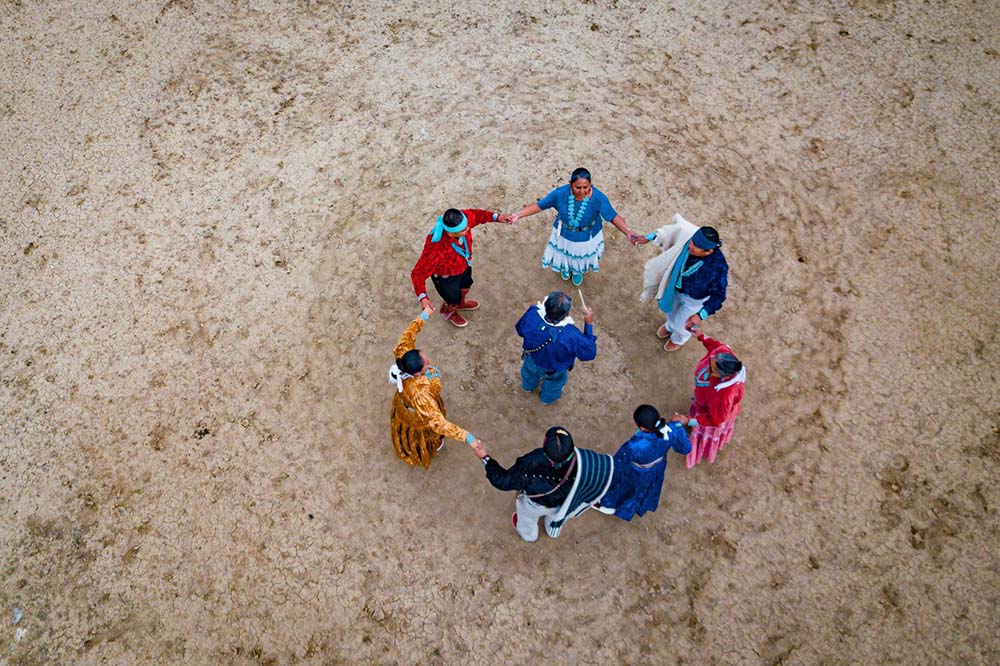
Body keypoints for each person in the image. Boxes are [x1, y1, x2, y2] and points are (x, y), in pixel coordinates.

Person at [471, 427, 614, 542]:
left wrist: (485, 458)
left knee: (527, 519)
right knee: (557, 514)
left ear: (545, 443)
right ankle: (550, 526)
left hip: (535, 504)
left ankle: (529, 536)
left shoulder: (531, 464)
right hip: (566, 502)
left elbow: (502, 481)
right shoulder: (586, 463)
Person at [510, 167, 646, 287]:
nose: (582, 191)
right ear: (570, 184)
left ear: (590, 185)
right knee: (565, 253)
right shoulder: (560, 194)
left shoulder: (598, 198)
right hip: (564, 233)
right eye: (578, 187)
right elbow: (539, 206)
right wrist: (518, 214)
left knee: (580, 257)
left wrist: (628, 231)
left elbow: (613, 217)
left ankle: (577, 270)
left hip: (587, 236)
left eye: (585, 187)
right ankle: (566, 267)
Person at [388, 306, 482, 469]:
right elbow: (438, 423)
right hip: (419, 413)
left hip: (405, 402)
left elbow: (409, 332)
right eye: (426, 364)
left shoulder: (404, 351)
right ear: (417, 373)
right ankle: (426, 448)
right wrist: (468, 438)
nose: (429, 362)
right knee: (427, 434)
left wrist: (424, 315)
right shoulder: (421, 395)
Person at [411, 207, 514, 328]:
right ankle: (449, 310)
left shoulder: (464, 218)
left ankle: (460, 303)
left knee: (466, 285)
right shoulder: (435, 248)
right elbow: (417, 274)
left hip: (464, 265)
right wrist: (423, 298)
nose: (468, 228)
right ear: (450, 233)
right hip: (446, 277)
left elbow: (478, 215)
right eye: (463, 230)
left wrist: (497, 217)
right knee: (452, 298)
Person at [639, 214, 728, 351]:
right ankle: (670, 326)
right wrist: (648, 237)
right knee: (670, 310)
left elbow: (719, 296)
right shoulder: (691, 236)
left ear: (708, 251)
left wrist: (700, 315)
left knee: (683, 324)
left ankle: (679, 338)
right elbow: (672, 230)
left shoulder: (717, 268)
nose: (691, 246)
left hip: (693, 300)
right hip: (676, 287)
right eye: (692, 241)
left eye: (696, 246)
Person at [597, 405, 691, 521]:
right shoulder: (671, 430)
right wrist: (678, 424)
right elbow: (685, 448)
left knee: (623, 486)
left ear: (642, 428)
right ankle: (633, 508)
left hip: (635, 472)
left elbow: (618, 462)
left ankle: (608, 505)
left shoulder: (634, 445)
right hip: (656, 469)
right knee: (642, 491)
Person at [515, 291, 597, 405]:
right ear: (568, 314)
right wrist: (588, 324)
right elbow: (589, 353)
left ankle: (527, 387)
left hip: (532, 359)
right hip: (555, 370)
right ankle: (546, 400)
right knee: (553, 385)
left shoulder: (532, 314)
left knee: (529, 374)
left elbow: (520, 329)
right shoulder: (571, 334)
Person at [686, 330, 746, 468]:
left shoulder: (724, 397)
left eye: (711, 369)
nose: (707, 368)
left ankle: (702, 447)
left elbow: (715, 420)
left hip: (710, 416)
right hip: (703, 402)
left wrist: (690, 421)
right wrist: (700, 335)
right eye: (710, 362)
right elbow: (714, 346)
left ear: (723, 377)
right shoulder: (722, 353)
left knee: (703, 430)